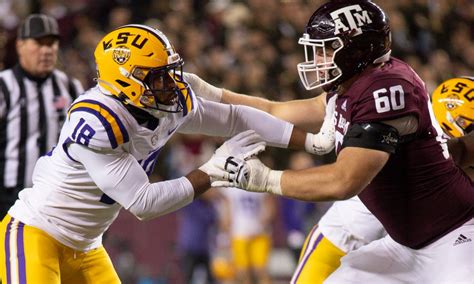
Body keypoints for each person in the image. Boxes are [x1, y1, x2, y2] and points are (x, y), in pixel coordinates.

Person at [0, 24, 319, 283]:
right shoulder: (97, 121)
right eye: (157, 76)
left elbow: (235, 117)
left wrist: (312, 143)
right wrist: (211, 173)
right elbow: (143, 202)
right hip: (37, 231)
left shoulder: (162, 103)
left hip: (85, 245)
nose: (170, 82)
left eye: (169, 71)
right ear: (127, 81)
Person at [189, 1, 474, 282]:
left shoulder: (386, 90)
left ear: (357, 49)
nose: (318, 59)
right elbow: (274, 111)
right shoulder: (354, 85)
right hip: (405, 243)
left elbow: (344, 181)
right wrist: (213, 93)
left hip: (454, 237)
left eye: (327, 49)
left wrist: (265, 180)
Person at [0, 14, 84, 220]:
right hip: (10, 196)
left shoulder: (71, 88)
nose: (46, 50)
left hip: (57, 199)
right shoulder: (4, 87)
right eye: (39, 43)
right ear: (20, 46)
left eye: (52, 43)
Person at [220, 186, 276, 284]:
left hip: (259, 233)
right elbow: (226, 208)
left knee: (261, 270)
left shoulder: (258, 182)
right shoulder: (231, 187)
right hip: (239, 233)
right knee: (242, 272)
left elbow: (270, 203)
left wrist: (266, 218)